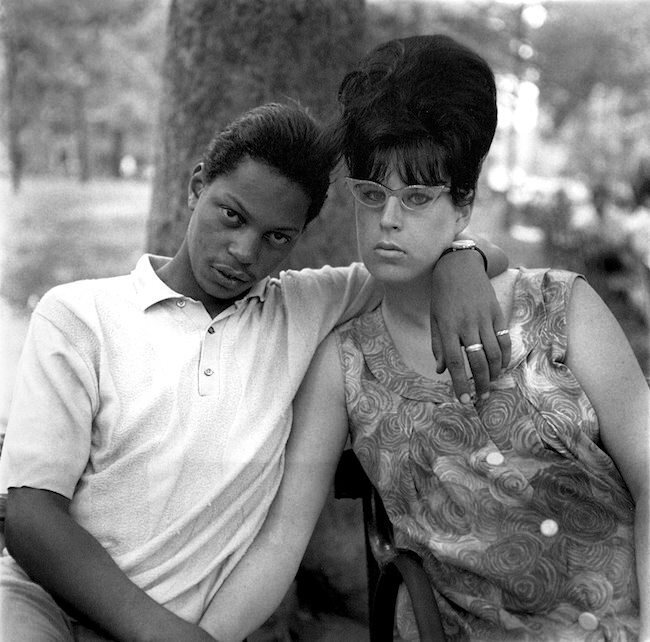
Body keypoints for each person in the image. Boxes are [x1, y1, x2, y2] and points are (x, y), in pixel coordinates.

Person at [0, 102, 509, 641]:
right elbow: (31, 515)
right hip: (46, 607)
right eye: (232, 216)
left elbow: (435, 259)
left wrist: (463, 257)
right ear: (198, 185)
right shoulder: (80, 316)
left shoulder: (304, 308)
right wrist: (162, 635)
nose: (243, 252)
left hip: (185, 625)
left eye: (277, 238)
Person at [248, 36, 647, 641]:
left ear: (463, 204)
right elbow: (282, 536)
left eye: (416, 197)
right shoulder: (346, 363)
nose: (388, 219)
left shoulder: (562, 307)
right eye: (371, 195)